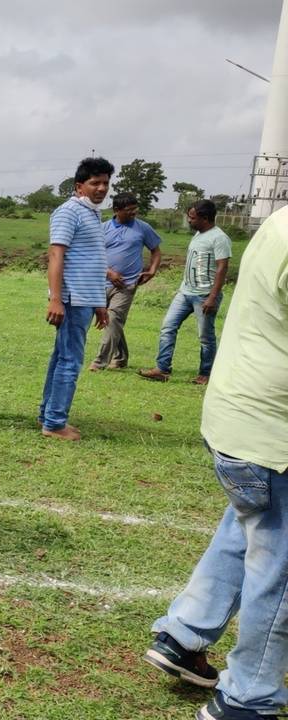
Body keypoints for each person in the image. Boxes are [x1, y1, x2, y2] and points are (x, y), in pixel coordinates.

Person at [143, 206, 288, 720]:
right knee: (280, 570)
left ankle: (183, 635)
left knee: (245, 527)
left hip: (237, 421)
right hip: (274, 434)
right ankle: (248, 698)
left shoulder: (279, 220)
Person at [39, 157, 113, 441]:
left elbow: (92, 262)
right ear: (79, 186)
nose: (101, 188)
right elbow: (56, 255)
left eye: (105, 183)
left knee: (61, 358)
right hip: (72, 299)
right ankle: (55, 423)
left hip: (85, 299)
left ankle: (48, 414)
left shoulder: (92, 213)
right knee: (69, 361)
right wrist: (56, 299)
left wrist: (100, 303)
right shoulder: (69, 212)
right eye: (95, 183)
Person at [138, 199, 230, 385]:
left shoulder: (219, 238)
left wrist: (212, 297)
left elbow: (222, 268)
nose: (189, 220)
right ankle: (162, 369)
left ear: (205, 218)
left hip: (204, 295)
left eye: (192, 218)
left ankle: (206, 373)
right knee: (168, 327)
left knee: (205, 337)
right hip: (185, 292)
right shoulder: (198, 234)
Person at [89, 192, 162, 371]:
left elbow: (156, 250)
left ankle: (99, 362)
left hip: (127, 284)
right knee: (113, 321)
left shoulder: (143, 228)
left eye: (135, 209)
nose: (133, 213)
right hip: (101, 283)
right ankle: (121, 358)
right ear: (116, 210)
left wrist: (152, 270)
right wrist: (109, 273)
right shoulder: (102, 228)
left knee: (113, 318)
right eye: (129, 210)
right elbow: (92, 255)